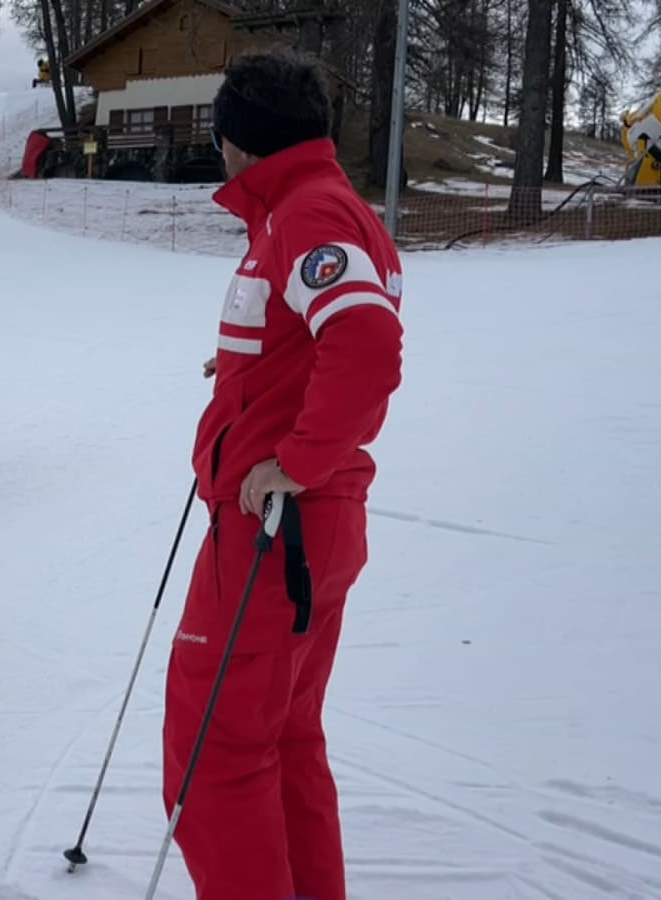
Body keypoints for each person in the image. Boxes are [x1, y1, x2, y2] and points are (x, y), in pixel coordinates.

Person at [161, 50, 404, 900]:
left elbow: (366, 345)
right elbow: (314, 337)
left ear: (236, 140)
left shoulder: (308, 214)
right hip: (312, 529)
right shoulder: (320, 209)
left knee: (216, 753)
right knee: (284, 738)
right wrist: (247, 374)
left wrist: (295, 460)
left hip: (274, 534)